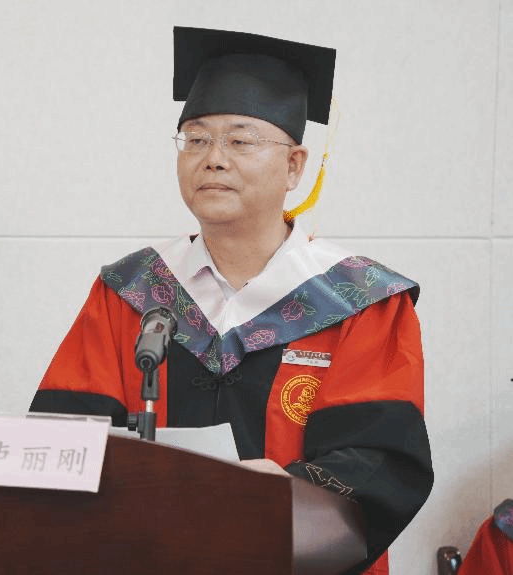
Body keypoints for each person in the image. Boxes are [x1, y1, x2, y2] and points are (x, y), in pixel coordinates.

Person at [29, 26, 433, 575]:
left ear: (294, 166)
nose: (213, 159)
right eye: (195, 140)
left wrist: (282, 493)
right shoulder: (132, 291)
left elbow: (382, 462)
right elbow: (60, 440)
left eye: (241, 141)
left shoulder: (361, 300)